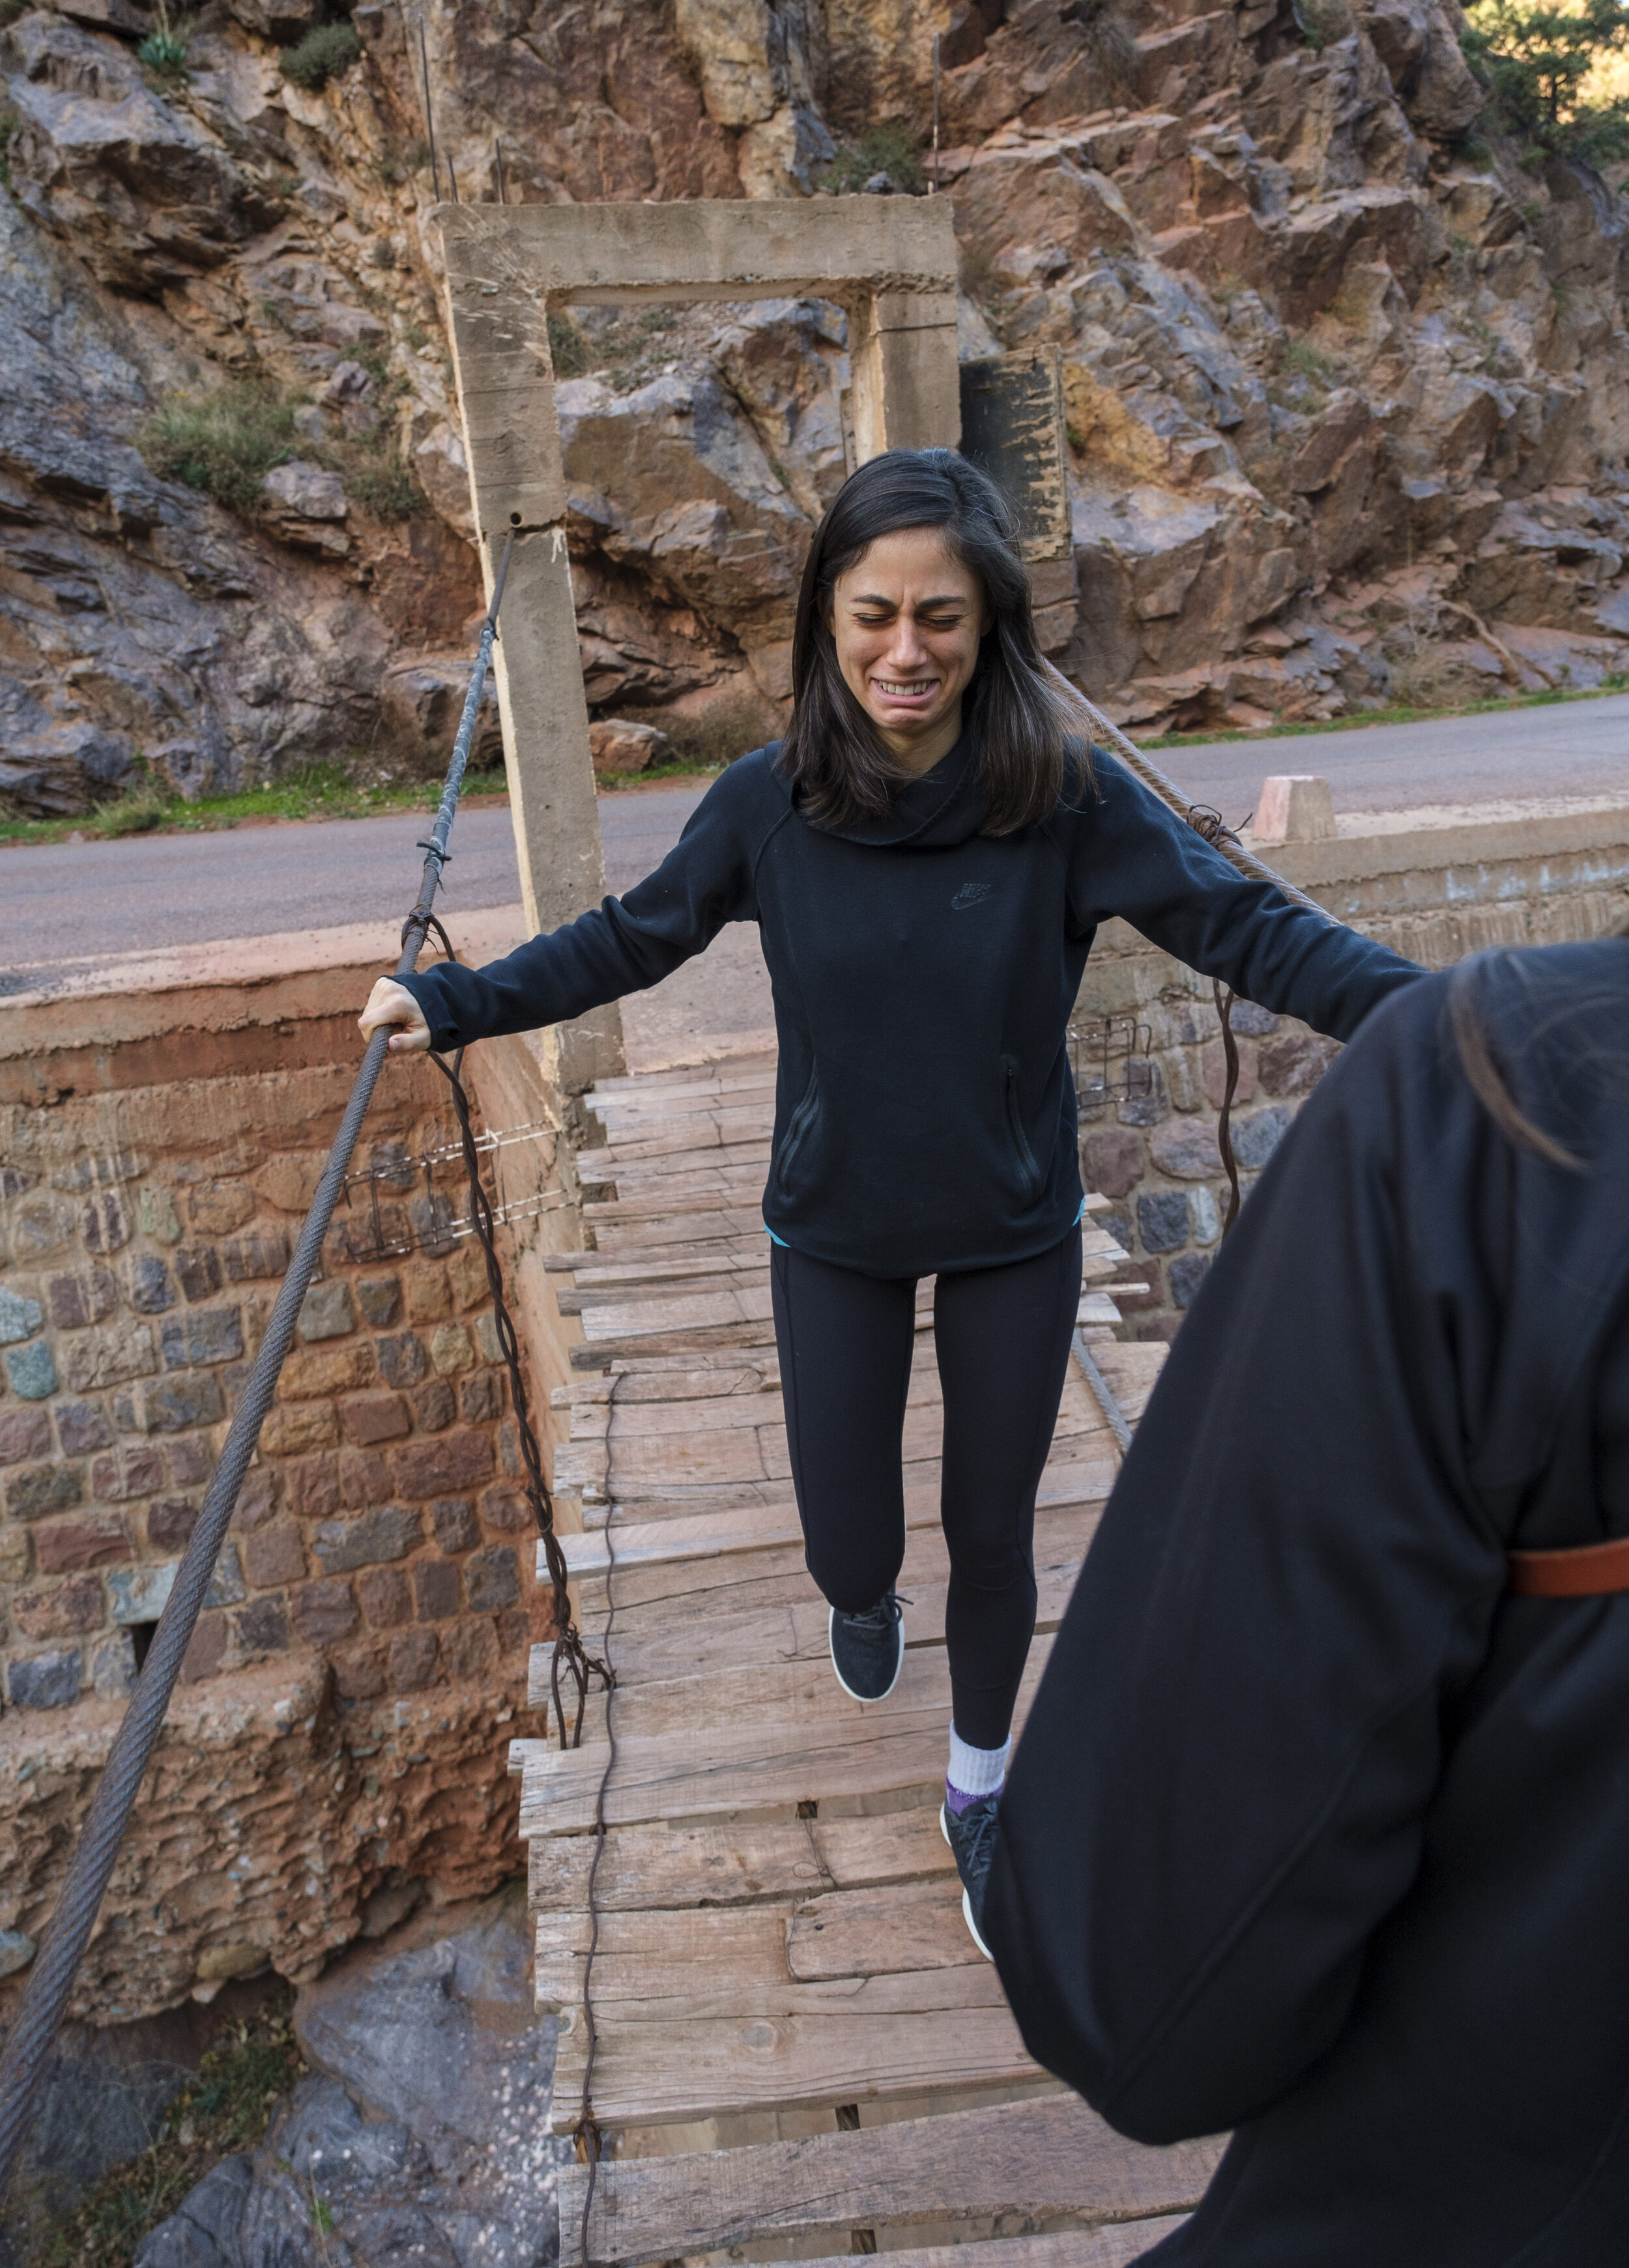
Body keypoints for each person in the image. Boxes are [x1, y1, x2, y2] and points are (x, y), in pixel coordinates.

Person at [358, 448, 1421, 1953]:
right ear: (824, 620)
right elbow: (627, 939)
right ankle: (862, 1599)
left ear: (989, 627)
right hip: (833, 1231)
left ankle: (977, 1790)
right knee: (847, 1549)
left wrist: (1446, 1012)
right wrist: (451, 1002)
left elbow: (1247, 928)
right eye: (869, 616)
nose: (902, 652)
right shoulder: (768, 804)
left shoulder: (1064, 802)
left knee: (990, 1537)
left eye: (938, 616)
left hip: (1011, 1230)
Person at [984, 932, 1629, 2261]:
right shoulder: (764, 819)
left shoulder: (1509, 1103)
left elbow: (1140, 2009)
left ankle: (957, 1768)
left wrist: (1436, 1064)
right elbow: (648, 933)